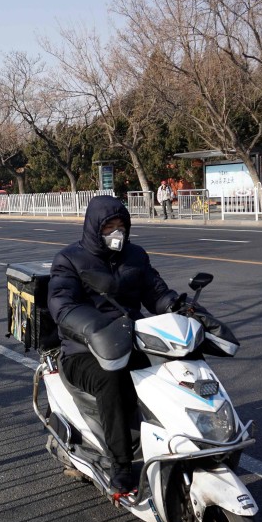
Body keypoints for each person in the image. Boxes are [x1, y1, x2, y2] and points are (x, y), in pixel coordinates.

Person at [48, 195, 180, 493]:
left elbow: (156, 293)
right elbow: (62, 305)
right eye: (109, 226)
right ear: (95, 228)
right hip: (83, 350)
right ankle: (120, 464)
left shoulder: (136, 256)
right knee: (113, 379)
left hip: (132, 341)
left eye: (122, 225)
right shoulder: (69, 259)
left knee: (178, 368)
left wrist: (178, 307)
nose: (116, 232)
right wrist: (95, 328)